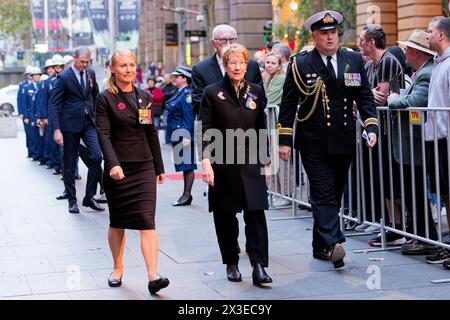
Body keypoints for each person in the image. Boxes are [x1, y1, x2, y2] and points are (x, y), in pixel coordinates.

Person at [277, 10, 379, 269]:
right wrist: (284, 140)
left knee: (334, 193)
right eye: (324, 33)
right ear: (314, 36)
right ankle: (335, 243)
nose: (330, 37)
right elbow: (288, 104)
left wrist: (371, 126)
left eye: (333, 32)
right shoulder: (300, 64)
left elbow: (364, 96)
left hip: (343, 139)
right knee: (323, 194)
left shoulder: (353, 59)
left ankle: (320, 247)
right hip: (313, 141)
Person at [95, 48, 169, 294]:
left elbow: (150, 133)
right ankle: (117, 268)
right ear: (112, 69)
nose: (128, 70)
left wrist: (159, 167)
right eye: (123, 65)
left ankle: (153, 276)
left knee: (147, 221)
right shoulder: (105, 98)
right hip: (119, 168)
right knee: (118, 221)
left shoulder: (144, 97)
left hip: (144, 166)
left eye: (131, 65)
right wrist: (113, 164)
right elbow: (103, 135)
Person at [200, 43, 272, 286]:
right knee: (225, 214)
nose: (238, 66)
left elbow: (262, 127)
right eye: (233, 62)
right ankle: (231, 261)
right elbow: (206, 130)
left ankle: (259, 265)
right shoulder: (212, 92)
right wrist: (206, 161)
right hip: (223, 163)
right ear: (225, 65)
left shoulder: (255, 91)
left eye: (242, 62)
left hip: (251, 162)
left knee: (256, 213)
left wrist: (267, 161)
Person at [387, 29, 439, 255]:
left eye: (408, 48)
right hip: (410, 143)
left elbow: (416, 100)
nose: (405, 52)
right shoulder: (422, 71)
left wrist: (394, 100)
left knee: (416, 191)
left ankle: (426, 237)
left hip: (414, 144)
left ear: (418, 52)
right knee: (411, 190)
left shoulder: (426, 72)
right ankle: (420, 234)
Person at [358, 24, 406, 244]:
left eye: (362, 40)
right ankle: (392, 224)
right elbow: (367, 97)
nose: (359, 44)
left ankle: (402, 226)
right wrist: (367, 97)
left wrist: (366, 98)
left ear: (372, 42)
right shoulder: (369, 66)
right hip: (374, 128)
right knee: (382, 178)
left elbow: (381, 96)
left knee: (393, 177)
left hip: (390, 129)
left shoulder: (387, 61)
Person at [50, 46, 104, 214]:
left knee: (97, 157)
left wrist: (100, 119)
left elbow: (95, 96)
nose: (84, 65)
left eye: (87, 62)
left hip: (89, 123)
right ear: (74, 58)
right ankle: (72, 201)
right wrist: (56, 129)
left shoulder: (91, 74)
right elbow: (54, 104)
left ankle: (89, 197)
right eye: (82, 62)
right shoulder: (63, 77)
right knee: (69, 163)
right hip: (69, 126)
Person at [424, 17, 450, 269]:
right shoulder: (438, 62)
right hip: (435, 139)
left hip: (446, 140)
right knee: (444, 193)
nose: (426, 35)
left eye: (429, 31)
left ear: (441, 35)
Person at [191, 24, 263, 115]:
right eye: (223, 40)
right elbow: (198, 104)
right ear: (213, 43)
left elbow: (261, 98)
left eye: (232, 40)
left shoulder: (252, 65)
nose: (228, 44)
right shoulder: (200, 69)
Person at [166, 66, 197, 206]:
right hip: (177, 132)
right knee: (183, 164)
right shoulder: (180, 92)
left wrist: (186, 136)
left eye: (177, 76)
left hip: (183, 132)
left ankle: (186, 194)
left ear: (184, 78)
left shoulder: (187, 94)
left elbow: (189, 117)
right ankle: (186, 194)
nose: (174, 79)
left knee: (187, 164)